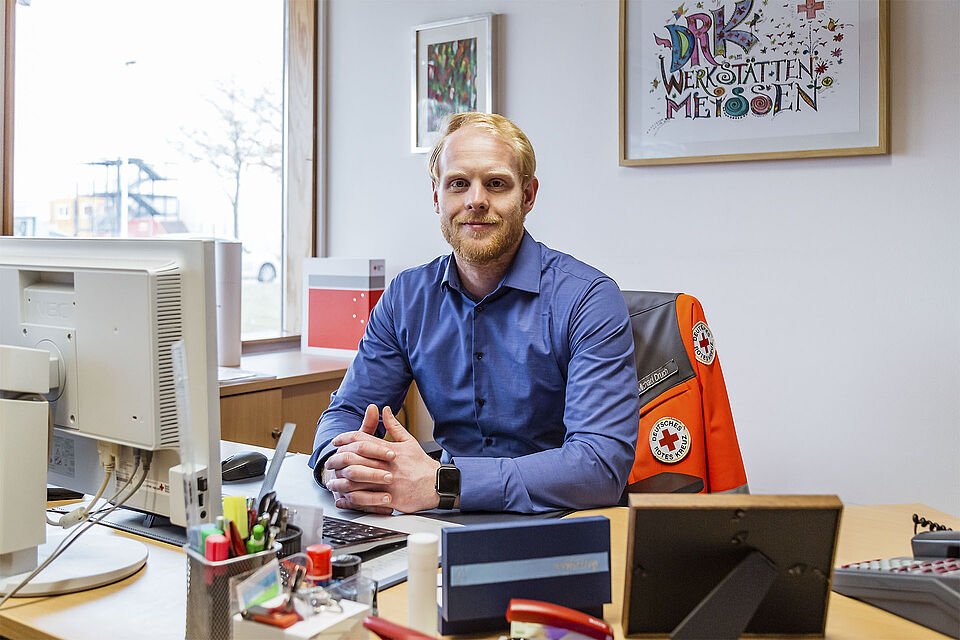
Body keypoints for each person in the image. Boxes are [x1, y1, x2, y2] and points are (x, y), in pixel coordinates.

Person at [308, 112, 639, 514]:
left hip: (558, 524)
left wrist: (444, 483)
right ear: (437, 197)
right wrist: (335, 465)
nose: (476, 199)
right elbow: (347, 411)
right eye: (458, 184)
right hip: (441, 517)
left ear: (529, 196)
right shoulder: (407, 297)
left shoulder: (589, 298)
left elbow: (599, 466)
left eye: (496, 184)